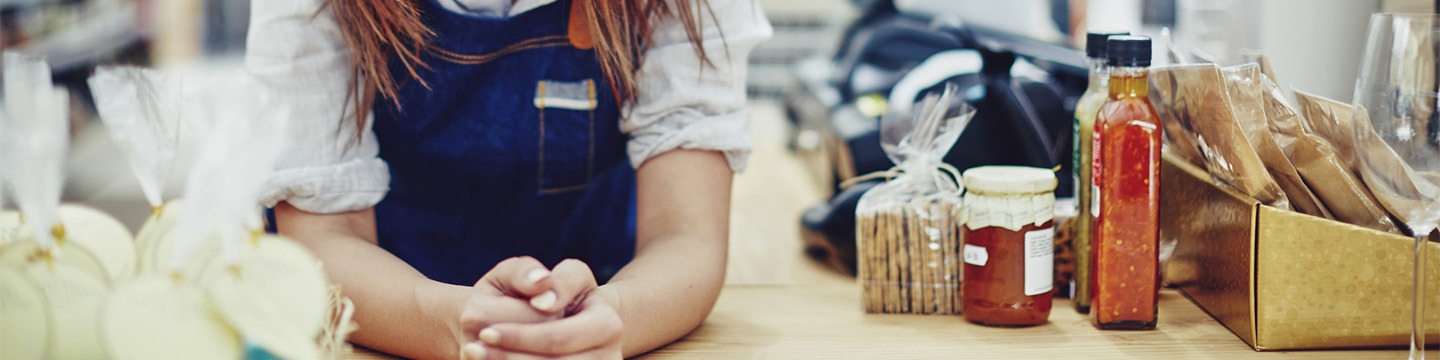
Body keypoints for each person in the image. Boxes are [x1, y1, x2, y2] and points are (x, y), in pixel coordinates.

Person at [245, 0, 771, 358]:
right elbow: (321, 240)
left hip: (609, 285)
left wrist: (614, 318)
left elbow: (687, 234)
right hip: (379, 319)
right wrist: (455, 325)